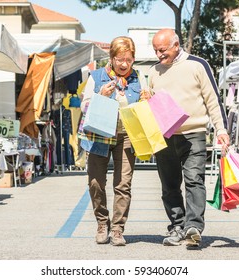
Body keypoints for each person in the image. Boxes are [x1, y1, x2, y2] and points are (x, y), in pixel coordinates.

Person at [147, 29, 230, 247]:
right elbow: (150, 104)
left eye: (162, 50)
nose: (158, 55)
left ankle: (193, 226)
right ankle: (177, 226)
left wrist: (221, 130)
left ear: (176, 45)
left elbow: (213, 99)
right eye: (155, 50)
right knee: (169, 185)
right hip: (164, 135)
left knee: (194, 179)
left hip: (194, 133)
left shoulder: (197, 65)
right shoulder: (153, 72)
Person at [80, 36, 148, 246]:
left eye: (128, 59)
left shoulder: (138, 78)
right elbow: (84, 108)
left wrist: (147, 100)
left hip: (127, 135)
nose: (124, 64)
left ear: (133, 59)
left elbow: (145, 105)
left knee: (123, 184)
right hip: (99, 134)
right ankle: (102, 223)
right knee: (95, 182)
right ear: (112, 58)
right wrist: (100, 95)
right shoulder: (96, 77)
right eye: (120, 59)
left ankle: (117, 229)